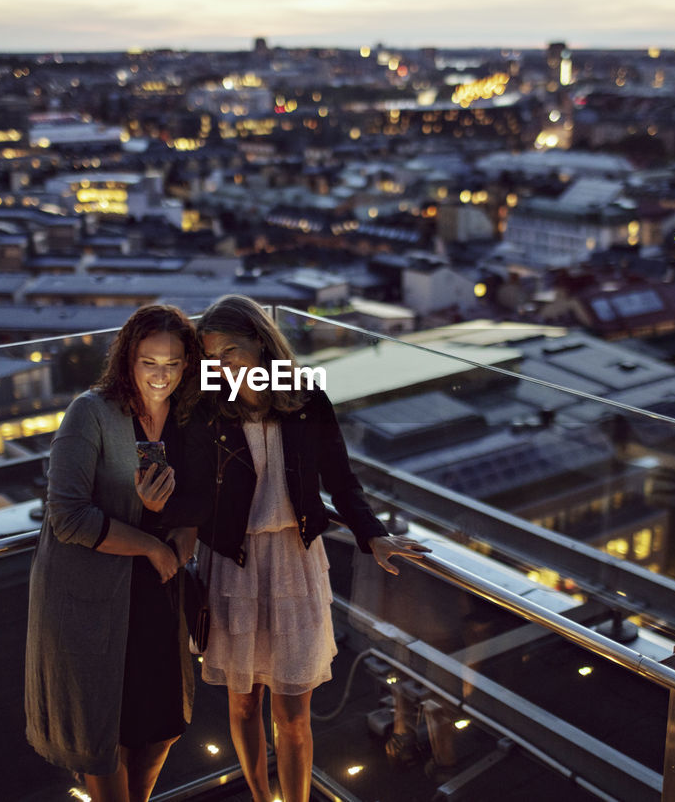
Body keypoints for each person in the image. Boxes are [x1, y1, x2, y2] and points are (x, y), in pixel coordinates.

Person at [195, 294, 429, 802]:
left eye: (230, 351)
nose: (221, 366)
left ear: (261, 341)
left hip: (293, 563)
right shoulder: (207, 407)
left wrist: (375, 536)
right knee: (241, 706)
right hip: (231, 563)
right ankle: (261, 797)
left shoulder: (304, 399)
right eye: (211, 358)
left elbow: (342, 482)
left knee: (293, 714)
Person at [25, 304, 209, 801]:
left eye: (172, 364)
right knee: (104, 733)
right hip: (96, 597)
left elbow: (193, 503)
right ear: (127, 358)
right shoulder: (91, 412)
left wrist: (180, 534)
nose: (161, 376)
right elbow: (66, 516)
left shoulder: (188, 416)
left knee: (162, 725)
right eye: (150, 362)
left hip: (158, 595)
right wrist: (150, 541)